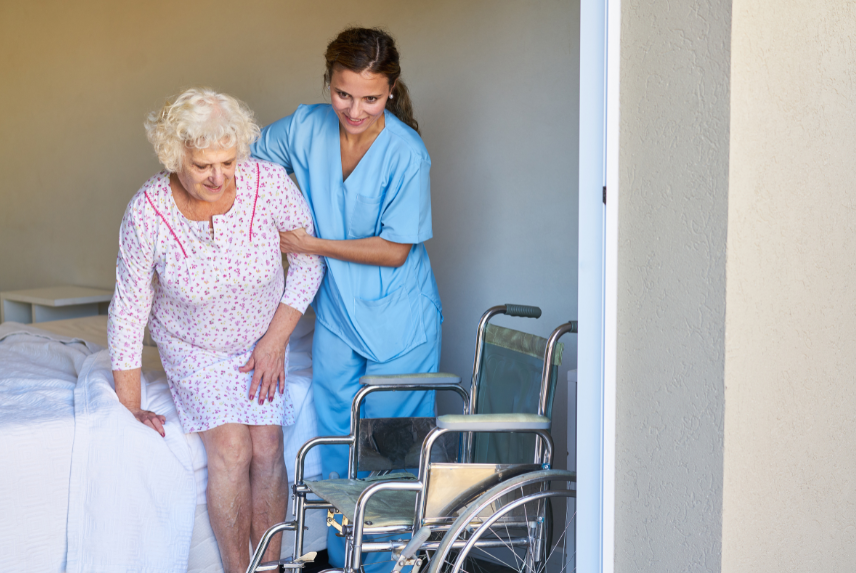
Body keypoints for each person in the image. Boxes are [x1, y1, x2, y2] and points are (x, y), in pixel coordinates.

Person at [107, 88, 324, 573]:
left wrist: (275, 342)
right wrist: (131, 404)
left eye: (228, 162)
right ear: (174, 154)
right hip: (193, 348)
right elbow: (129, 307)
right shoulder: (147, 211)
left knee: (268, 445)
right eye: (203, 165)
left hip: (262, 340)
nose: (219, 176)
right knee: (231, 447)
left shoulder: (268, 184)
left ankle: (269, 568)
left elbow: (308, 262)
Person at [251, 27, 442, 569]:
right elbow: (248, 165)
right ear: (328, 83)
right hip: (337, 317)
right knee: (336, 449)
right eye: (343, 94)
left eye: (371, 98)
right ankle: (342, 562)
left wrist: (308, 244)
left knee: (388, 461)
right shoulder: (305, 126)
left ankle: (383, 567)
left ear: (391, 90)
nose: (355, 111)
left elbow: (395, 251)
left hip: (400, 326)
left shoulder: (407, 154)